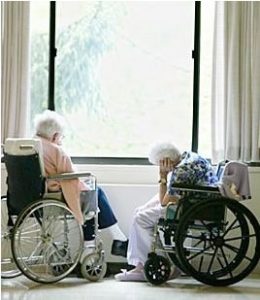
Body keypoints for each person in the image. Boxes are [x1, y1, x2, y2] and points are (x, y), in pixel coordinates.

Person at [115, 142, 218, 281]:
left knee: (140, 218)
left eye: (159, 164)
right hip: (194, 201)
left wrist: (163, 176)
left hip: (193, 207)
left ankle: (145, 266)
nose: (159, 166)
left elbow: (165, 202)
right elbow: (167, 198)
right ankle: (147, 262)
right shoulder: (189, 157)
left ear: (165, 161)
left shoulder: (182, 171)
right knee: (139, 211)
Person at [33, 109, 128, 258]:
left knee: (93, 193)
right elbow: (70, 179)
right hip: (55, 194)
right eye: (61, 137)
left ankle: (117, 238)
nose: (61, 140)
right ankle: (110, 241)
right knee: (93, 195)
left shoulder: (32, 146)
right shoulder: (56, 151)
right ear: (55, 136)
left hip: (35, 193)